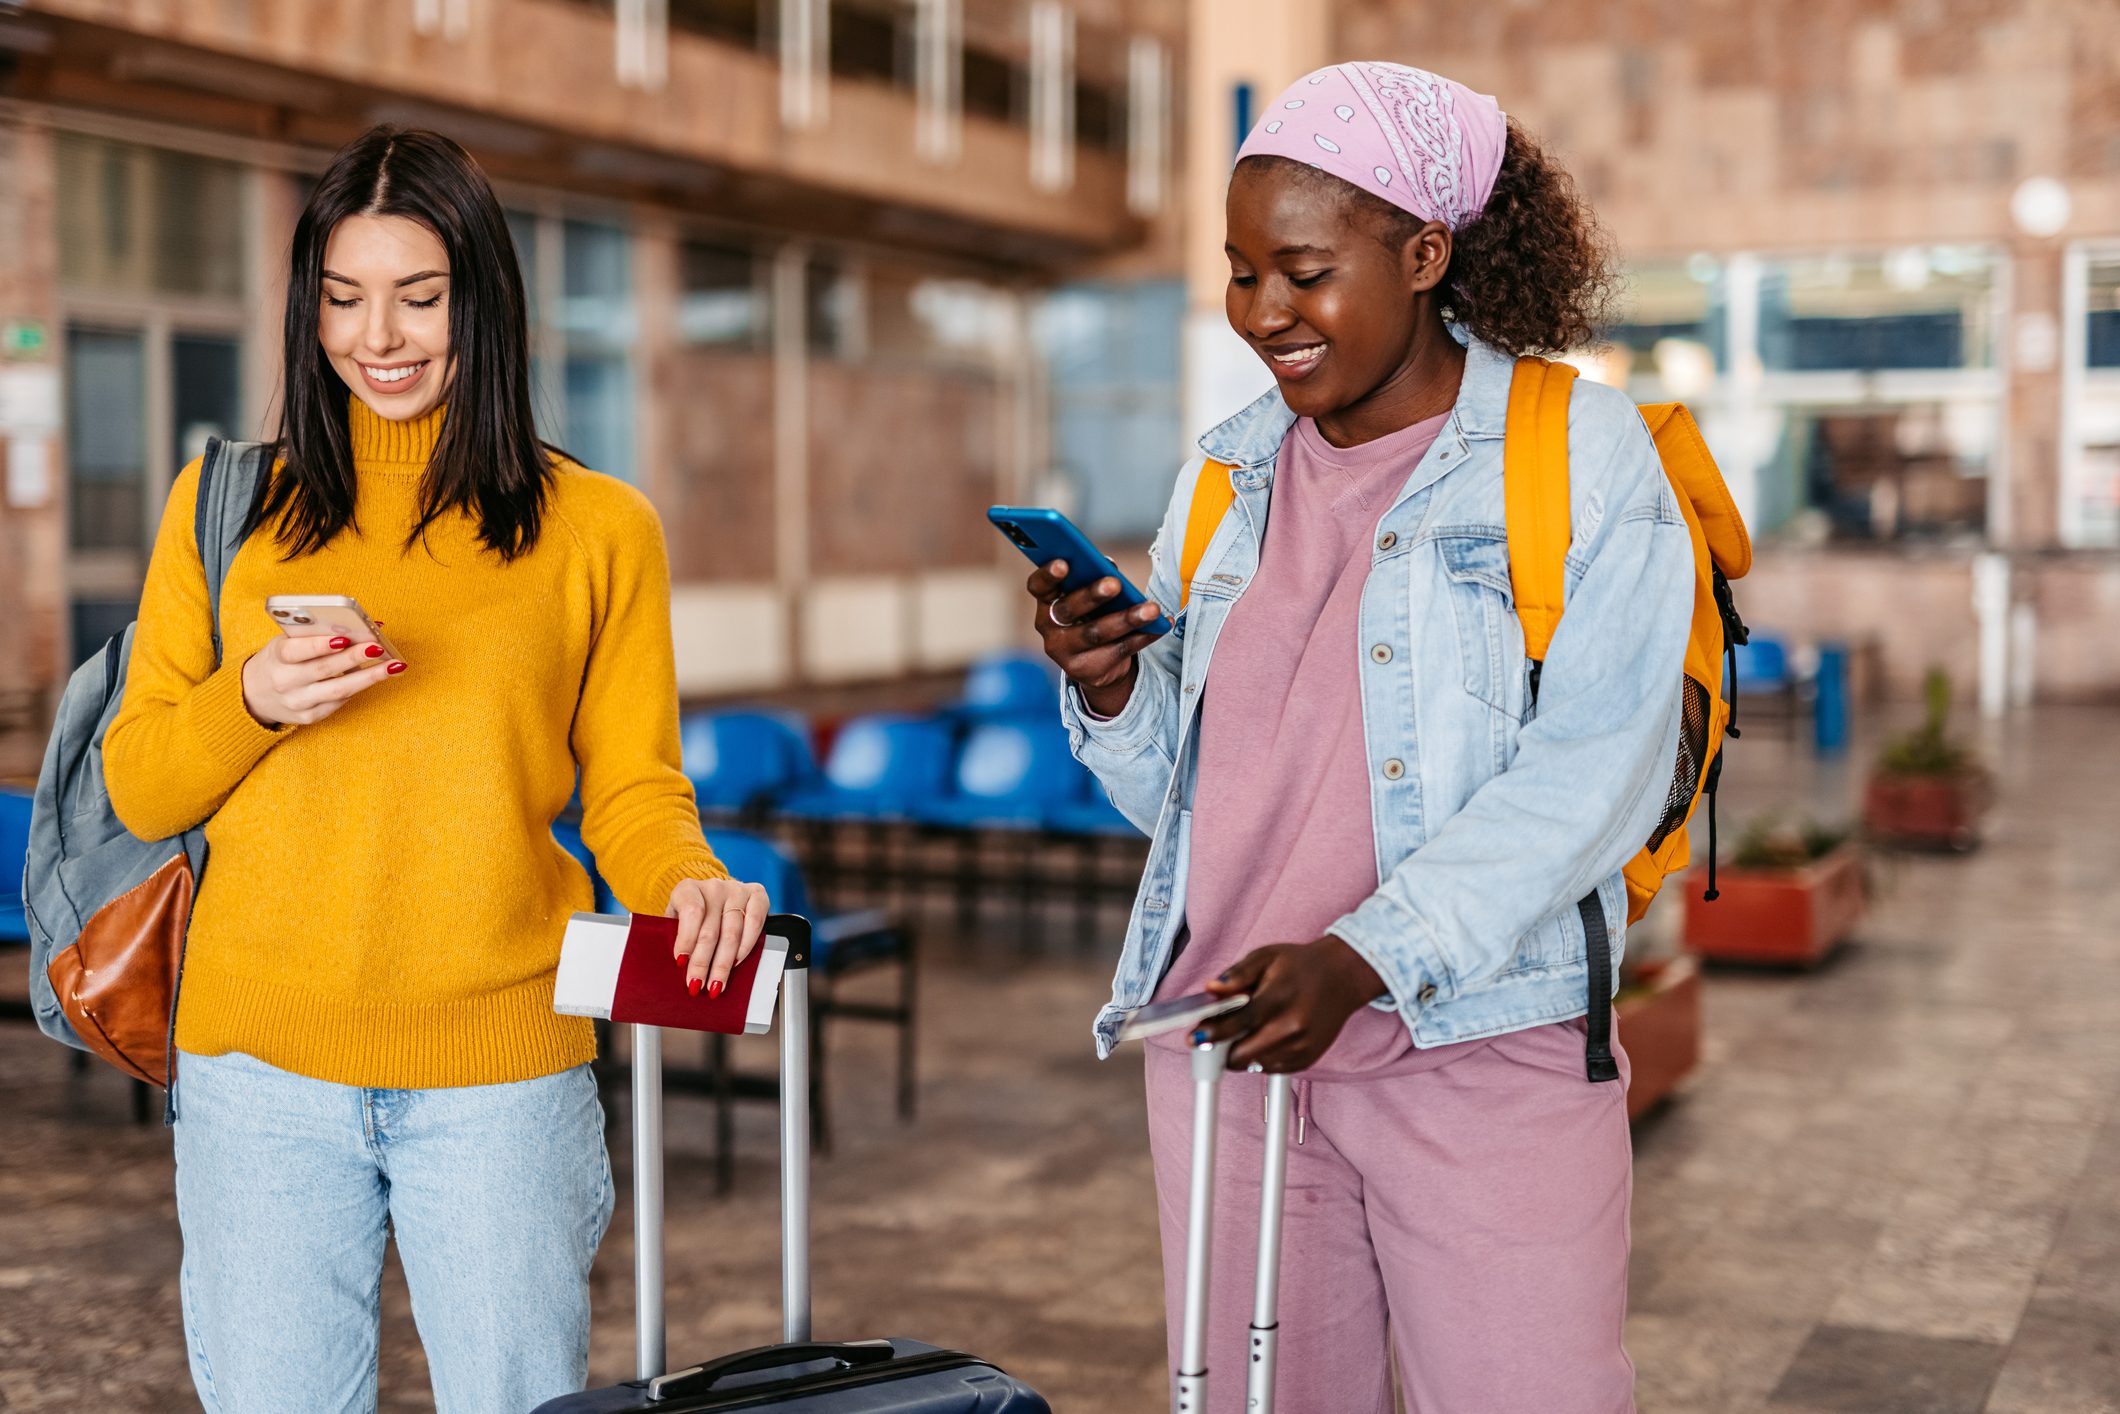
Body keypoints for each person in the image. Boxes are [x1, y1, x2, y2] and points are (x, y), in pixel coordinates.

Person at [1027, 62, 1692, 1413]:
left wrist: (1365, 956)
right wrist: (1109, 691)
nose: (1264, 312)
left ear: (1424, 252)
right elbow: (1198, 803)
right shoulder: (1226, 473)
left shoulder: (1578, 455)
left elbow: (1595, 776)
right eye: (1240, 271)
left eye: (1304, 270)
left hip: (1482, 1057)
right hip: (1231, 1050)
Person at [103, 126, 766, 1413]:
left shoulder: (598, 529)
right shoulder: (224, 508)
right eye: (344, 298)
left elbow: (631, 785)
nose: (380, 337)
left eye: (420, 296)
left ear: (485, 298)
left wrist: (686, 879)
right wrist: (253, 699)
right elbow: (140, 786)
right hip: (259, 1075)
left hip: (504, 1076)